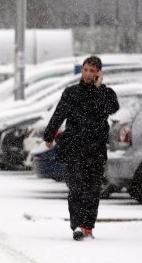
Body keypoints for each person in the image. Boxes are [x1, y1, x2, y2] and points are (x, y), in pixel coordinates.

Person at [44, 55, 120, 241]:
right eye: (86, 70)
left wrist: (98, 87)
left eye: (92, 71)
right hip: (75, 147)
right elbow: (59, 113)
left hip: (96, 149)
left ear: (99, 73)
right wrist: (49, 134)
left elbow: (111, 108)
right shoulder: (71, 92)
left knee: (93, 189)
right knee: (76, 188)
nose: (88, 74)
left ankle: (88, 226)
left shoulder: (106, 93)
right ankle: (77, 225)